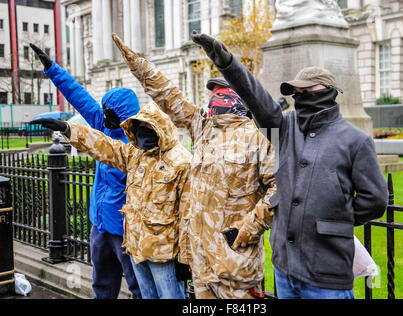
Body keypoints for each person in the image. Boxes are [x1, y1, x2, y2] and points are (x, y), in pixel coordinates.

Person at [192, 32, 388, 299]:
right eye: (297, 90)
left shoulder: (355, 141)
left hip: (326, 276)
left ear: (327, 91)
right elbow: (256, 98)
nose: (299, 94)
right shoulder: (285, 127)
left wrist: (334, 219)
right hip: (285, 269)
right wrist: (227, 63)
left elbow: (375, 201)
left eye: (306, 89)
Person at [112, 33, 276, 299]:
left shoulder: (263, 135)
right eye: (213, 92)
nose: (214, 98)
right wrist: (138, 65)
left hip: (235, 267)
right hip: (201, 266)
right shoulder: (203, 128)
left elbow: (278, 190)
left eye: (222, 92)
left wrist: (249, 228)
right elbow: (168, 95)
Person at [31, 101, 192, 299]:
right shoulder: (135, 154)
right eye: (139, 126)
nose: (143, 131)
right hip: (137, 249)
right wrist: (67, 128)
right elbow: (104, 145)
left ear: (161, 127)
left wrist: (185, 259)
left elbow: (189, 215)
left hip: (165, 255)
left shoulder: (182, 162)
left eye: (148, 126)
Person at [29, 44, 141, 299]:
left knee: (138, 289)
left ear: (123, 116)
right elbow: (79, 96)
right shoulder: (104, 125)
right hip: (100, 225)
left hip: (125, 231)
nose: (103, 114)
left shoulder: (133, 145)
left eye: (109, 111)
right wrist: (52, 68)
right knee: (102, 285)